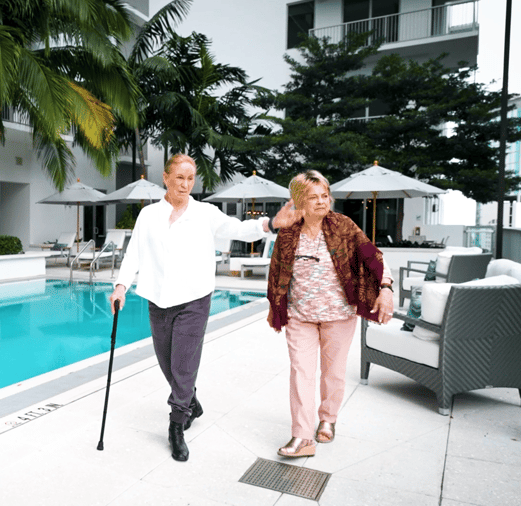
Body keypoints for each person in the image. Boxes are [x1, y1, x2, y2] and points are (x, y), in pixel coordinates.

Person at [109, 153, 289, 462]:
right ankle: (191, 401)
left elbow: (236, 229)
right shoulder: (148, 215)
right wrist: (121, 286)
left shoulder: (205, 213)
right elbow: (134, 254)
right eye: (179, 177)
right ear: (165, 178)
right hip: (158, 300)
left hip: (194, 299)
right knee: (167, 364)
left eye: (190, 179)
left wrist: (268, 224)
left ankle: (176, 425)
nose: (185, 184)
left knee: (183, 365)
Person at [267, 170, 394, 458]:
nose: (322, 202)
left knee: (333, 372)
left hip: (339, 315)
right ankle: (301, 437)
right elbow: (276, 272)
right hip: (300, 317)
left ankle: (328, 418)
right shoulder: (288, 232)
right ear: (299, 201)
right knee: (301, 372)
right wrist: (276, 307)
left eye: (325, 195)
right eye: (313, 197)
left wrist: (386, 288)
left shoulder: (344, 227)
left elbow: (374, 257)